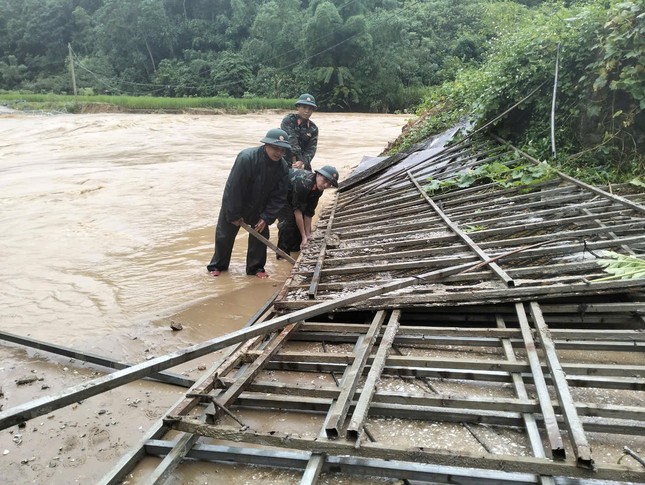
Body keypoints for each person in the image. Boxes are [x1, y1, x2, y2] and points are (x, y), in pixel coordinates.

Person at [206, 128, 291, 278]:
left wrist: (266, 217)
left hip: (260, 207)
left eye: (282, 150)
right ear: (266, 145)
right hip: (236, 204)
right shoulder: (247, 158)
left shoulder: (283, 167)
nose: (278, 153)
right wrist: (233, 214)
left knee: (261, 236)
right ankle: (218, 266)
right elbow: (233, 188)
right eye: (275, 148)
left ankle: (256, 268)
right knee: (224, 236)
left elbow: (279, 196)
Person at [277, 165, 339, 257]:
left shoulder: (319, 189)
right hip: (279, 193)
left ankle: (295, 250)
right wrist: (304, 236)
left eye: (330, 184)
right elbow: (297, 212)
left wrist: (308, 235)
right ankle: (282, 256)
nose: (326, 185)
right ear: (318, 175)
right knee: (288, 224)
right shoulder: (304, 184)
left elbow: (308, 213)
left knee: (300, 229)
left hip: (293, 193)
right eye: (325, 180)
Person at [281, 93, 319, 171]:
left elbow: (311, 149)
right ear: (298, 107)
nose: (307, 111)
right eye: (304, 107)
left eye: (310, 109)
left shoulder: (313, 128)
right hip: (285, 160)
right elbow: (292, 142)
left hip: (302, 163)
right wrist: (299, 161)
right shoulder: (288, 120)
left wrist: (303, 162)